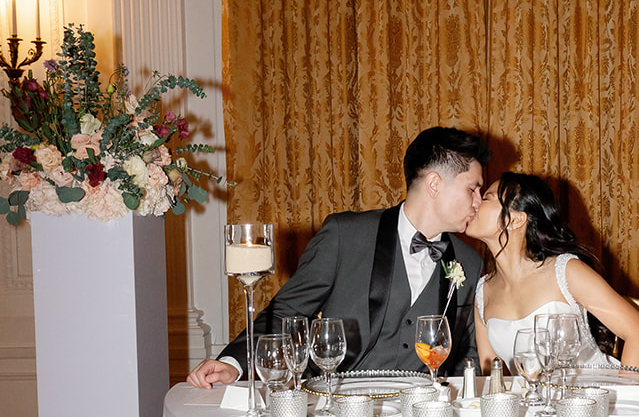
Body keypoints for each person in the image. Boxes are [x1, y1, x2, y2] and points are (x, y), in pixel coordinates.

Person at [187, 127, 491, 385]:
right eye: (473, 189)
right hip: (337, 405)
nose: (479, 202)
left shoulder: (469, 262)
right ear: (435, 184)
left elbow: (467, 353)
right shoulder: (345, 236)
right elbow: (285, 312)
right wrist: (234, 363)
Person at [466, 172, 639, 372]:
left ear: (516, 220)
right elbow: (491, 376)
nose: (475, 203)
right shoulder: (482, 292)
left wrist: (625, 397)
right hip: (533, 402)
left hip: (595, 395)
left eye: (486, 198)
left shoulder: (566, 272)